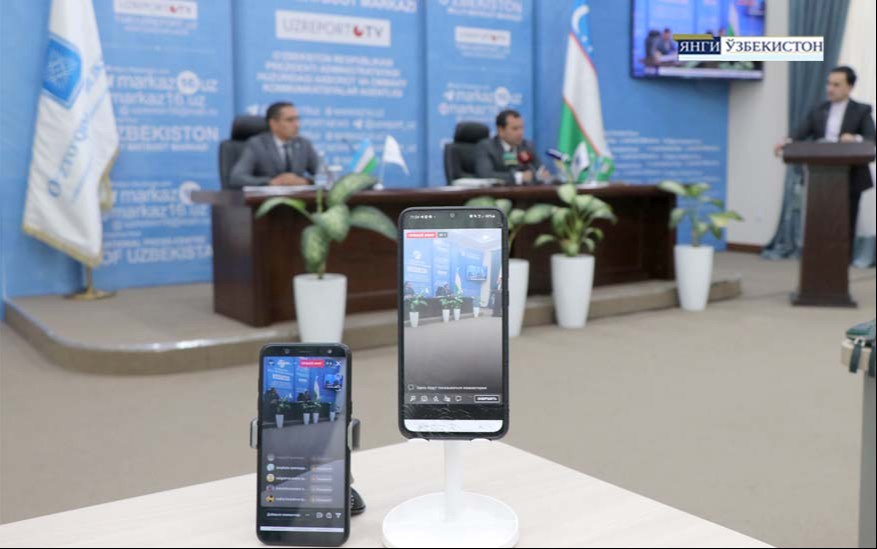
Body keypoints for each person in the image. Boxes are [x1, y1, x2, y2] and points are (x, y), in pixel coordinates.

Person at [774, 66, 875, 252]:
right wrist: (785, 142)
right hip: (819, 178)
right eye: (829, 84)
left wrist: (855, 139)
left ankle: (843, 261)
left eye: (836, 85)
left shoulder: (862, 110)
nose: (830, 89)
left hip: (851, 177)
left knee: (845, 225)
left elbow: (871, 139)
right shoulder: (818, 110)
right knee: (819, 224)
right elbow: (798, 134)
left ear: (849, 87)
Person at [229, 101, 320, 188]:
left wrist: (305, 181)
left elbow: (323, 174)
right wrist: (270, 182)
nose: (297, 125)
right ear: (273, 124)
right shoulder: (256, 145)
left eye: (297, 119)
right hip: (266, 197)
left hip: (299, 197)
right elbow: (237, 178)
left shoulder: (303, 144)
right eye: (290, 120)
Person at [474, 109, 549, 185]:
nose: (520, 133)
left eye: (522, 128)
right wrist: (519, 177)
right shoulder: (486, 147)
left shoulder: (527, 146)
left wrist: (540, 174)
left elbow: (540, 171)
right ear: (500, 130)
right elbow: (485, 174)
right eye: (515, 129)